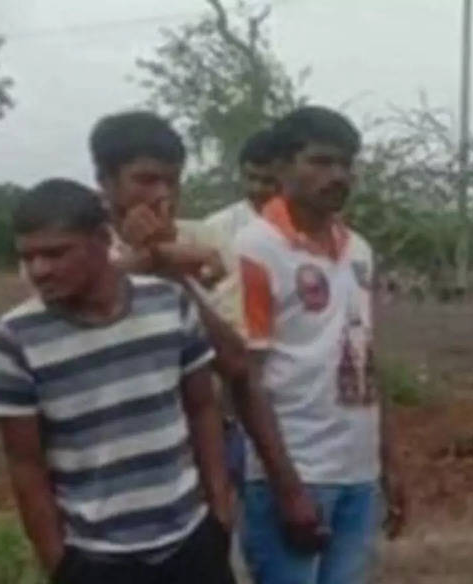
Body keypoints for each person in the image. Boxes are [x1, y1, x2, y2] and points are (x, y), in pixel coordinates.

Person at [0, 178, 241, 584]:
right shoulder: (14, 339)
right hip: (98, 567)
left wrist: (218, 510)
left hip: (190, 548)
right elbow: (25, 466)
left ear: (102, 240)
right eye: (28, 257)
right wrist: (64, 569)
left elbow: (202, 408)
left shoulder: (167, 303)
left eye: (56, 253)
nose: (40, 270)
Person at [237, 105, 408, 584]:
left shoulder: (357, 249)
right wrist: (286, 487)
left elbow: (365, 355)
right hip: (295, 472)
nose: (336, 175)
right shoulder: (255, 249)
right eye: (319, 161)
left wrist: (390, 461)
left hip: (355, 470)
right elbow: (247, 382)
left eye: (345, 163)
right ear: (283, 168)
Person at [90, 110, 326, 553]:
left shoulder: (211, 239)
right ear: (104, 182)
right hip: (107, 460)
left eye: (172, 181)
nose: (161, 194)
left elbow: (233, 358)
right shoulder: (73, 249)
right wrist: (157, 258)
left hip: (201, 446)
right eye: (144, 180)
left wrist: (167, 266)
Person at [203, 128, 283, 245]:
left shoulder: (306, 228)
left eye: (268, 181)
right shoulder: (217, 227)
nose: (257, 188)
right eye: (251, 178)